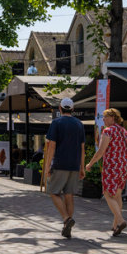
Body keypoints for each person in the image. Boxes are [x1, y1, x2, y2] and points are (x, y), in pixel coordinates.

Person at [85, 108, 127, 236]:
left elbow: (101, 151)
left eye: (105, 117)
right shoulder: (124, 132)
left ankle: (120, 221)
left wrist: (90, 163)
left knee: (108, 194)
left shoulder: (107, 131)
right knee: (117, 195)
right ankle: (115, 225)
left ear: (113, 118)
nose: (103, 119)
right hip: (124, 165)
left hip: (112, 165)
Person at [43, 98, 85, 239]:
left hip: (60, 163)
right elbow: (82, 147)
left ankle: (67, 219)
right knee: (69, 195)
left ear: (60, 108)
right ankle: (67, 227)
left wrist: (48, 165)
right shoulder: (79, 124)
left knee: (53, 192)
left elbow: (52, 146)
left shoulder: (56, 123)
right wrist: (82, 167)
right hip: (74, 164)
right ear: (72, 109)